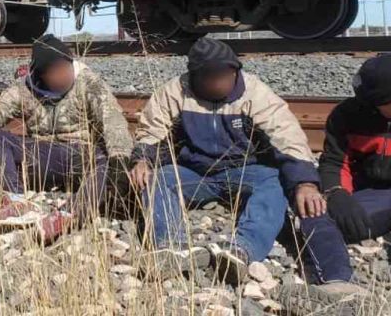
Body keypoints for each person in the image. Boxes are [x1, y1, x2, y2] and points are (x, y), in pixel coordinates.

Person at [130, 37, 326, 282]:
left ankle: (243, 249)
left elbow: (287, 136)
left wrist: (305, 182)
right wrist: (143, 160)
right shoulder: (176, 91)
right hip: (194, 172)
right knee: (155, 179)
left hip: (245, 171)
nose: (221, 81)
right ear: (196, 76)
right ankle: (172, 248)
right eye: (212, 76)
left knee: (275, 182)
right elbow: (152, 130)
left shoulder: (255, 93)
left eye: (227, 74)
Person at [0, 34, 132, 244]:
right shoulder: (24, 88)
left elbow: (112, 119)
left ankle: (68, 215)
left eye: (65, 67)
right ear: (41, 74)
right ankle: (14, 202)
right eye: (55, 71)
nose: (62, 75)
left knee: (105, 161)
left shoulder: (89, 83)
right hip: (40, 156)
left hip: (80, 155)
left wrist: (120, 157)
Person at [296, 56, 391, 292]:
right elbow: (334, 162)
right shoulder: (346, 115)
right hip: (372, 193)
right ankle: (337, 284)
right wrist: (337, 193)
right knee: (314, 215)